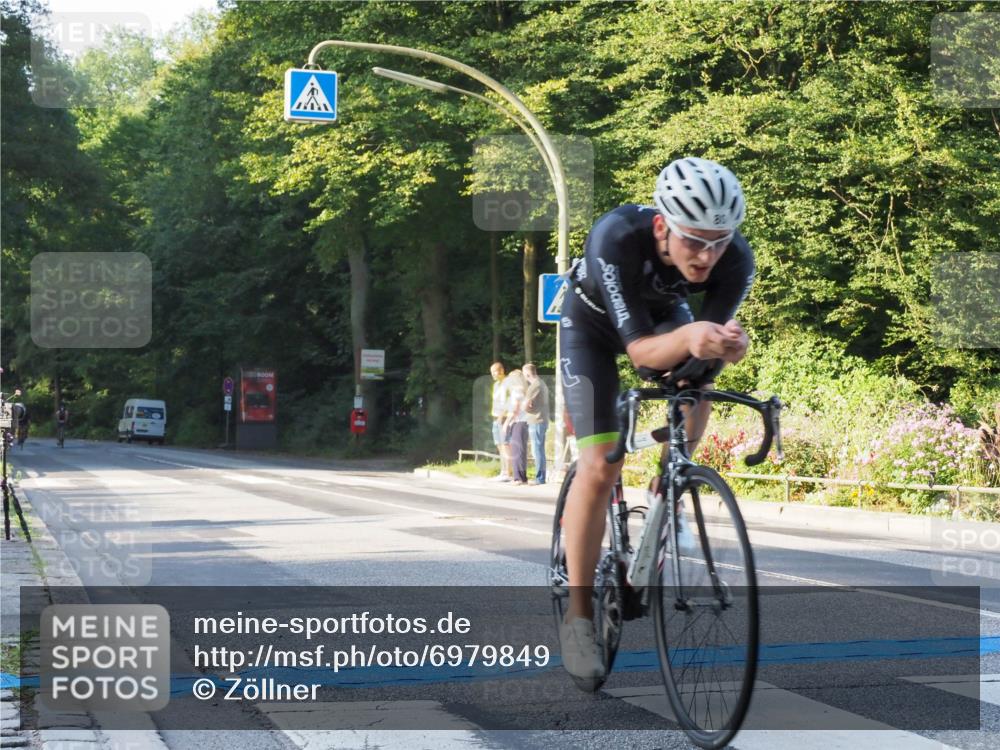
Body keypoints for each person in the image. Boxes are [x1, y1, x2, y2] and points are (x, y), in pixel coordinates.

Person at [558, 157, 754, 688]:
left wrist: (726, 346)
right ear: (664, 227)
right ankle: (578, 620)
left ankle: (667, 491)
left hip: (665, 319)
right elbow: (643, 352)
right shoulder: (616, 237)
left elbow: (702, 349)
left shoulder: (735, 258)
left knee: (697, 389)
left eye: (719, 241)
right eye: (695, 241)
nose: (708, 256)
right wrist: (695, 338)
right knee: (599, 466)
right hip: (592, 327)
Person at [522, 363, 550, 484]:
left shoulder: (534, 386)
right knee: (539, 449)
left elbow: (525, 405)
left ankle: (540, 478)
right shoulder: (542, 383)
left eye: (524, 374)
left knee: (537, 450)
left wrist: (526, 407)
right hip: (541, 420)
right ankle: (541, 477)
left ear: (527, 373)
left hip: (536, 420)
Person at [501, 369, 530, 484]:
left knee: (516, 450)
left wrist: (507, 423)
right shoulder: (524, 390)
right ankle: (522, 477)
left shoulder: (517, 391)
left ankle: (517, 478)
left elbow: (515, 410)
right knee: (521, 451)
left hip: (518, 422)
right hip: (524, 422)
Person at [490, 362, 512, 481]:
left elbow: (509, 402)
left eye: (495, 372)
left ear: (502, 371)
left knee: (505, 445)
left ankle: (508, 473)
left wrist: (502, 415)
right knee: (499, 445)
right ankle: (503, 472)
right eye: (491, 372)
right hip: (495, 417)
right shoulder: (496, 385)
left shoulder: (508, 383)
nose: (493, 374)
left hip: (503, 418)